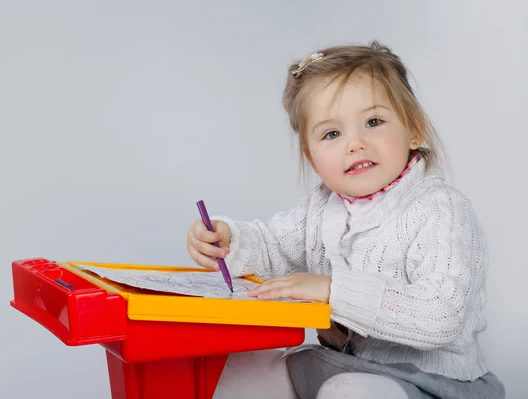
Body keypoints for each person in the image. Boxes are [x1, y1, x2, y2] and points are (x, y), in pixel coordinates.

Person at [186, 41, 505, 399]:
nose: (355, 143)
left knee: (350, 391)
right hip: (341, 367)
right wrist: (230, 239)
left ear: (414, 129)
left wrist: (332, 290)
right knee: (247, 366)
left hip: (431, 383)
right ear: (312, 156)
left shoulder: (441, 209)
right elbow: (274, 246)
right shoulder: (321, 208)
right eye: (332, 134)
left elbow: (441, 314)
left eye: (373, 122)